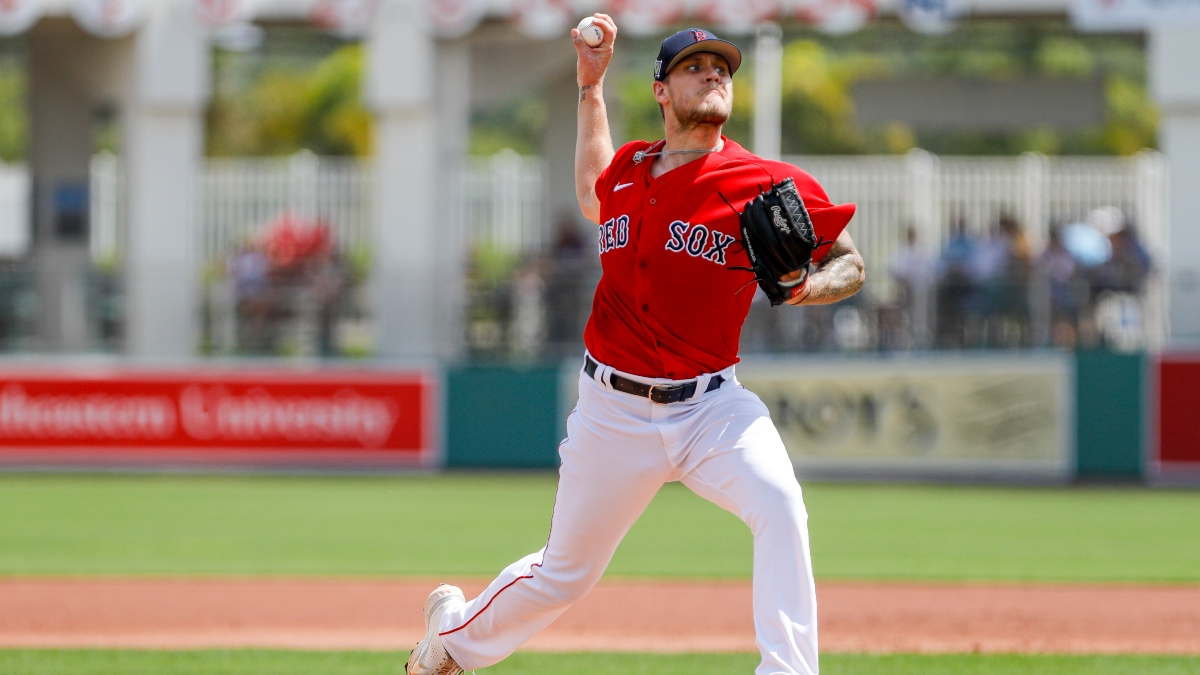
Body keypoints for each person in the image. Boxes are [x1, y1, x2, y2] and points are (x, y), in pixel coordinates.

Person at [405, 18, 863, 675]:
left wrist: (805, 287)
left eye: (723, 69)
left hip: (713, 407)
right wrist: (590, 89)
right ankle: (449, 639)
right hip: (612, 408)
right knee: (565, 572)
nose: (714, 75)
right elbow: (595, 187)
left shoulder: (763, 180)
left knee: (781, 504)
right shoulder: (630, 171)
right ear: (661, 90)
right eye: (695, 67)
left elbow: (853, 263)